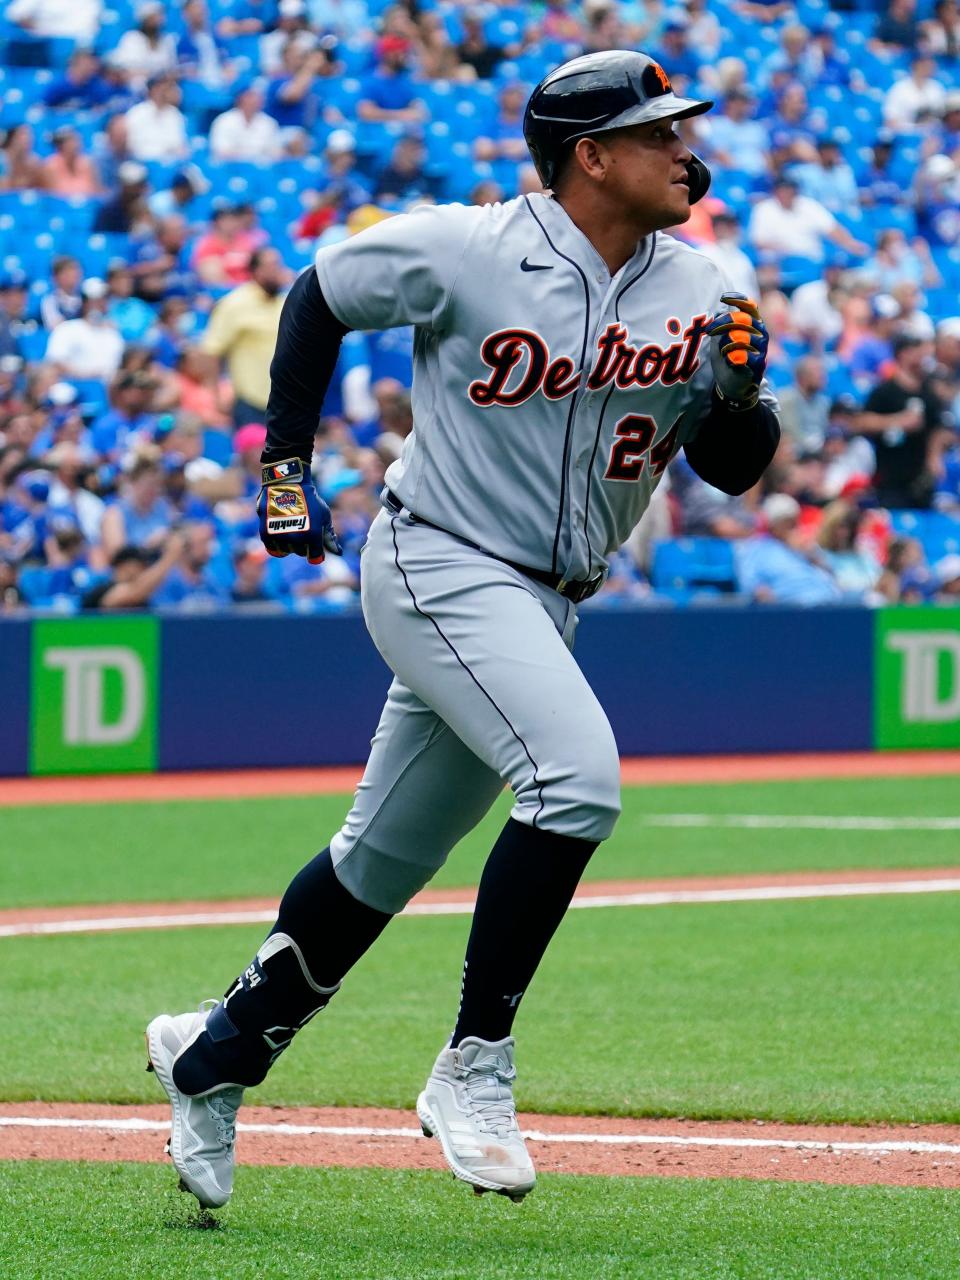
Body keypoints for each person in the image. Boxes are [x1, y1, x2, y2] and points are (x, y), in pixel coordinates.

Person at [145, 50, 780, 1212]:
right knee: (576, 779)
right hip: (437, 554)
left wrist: (741, 403)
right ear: (590, 157)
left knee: (378, 862)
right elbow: (320, 291)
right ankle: (473, 1063)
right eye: (660, 134)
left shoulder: (701, 281)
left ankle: (215, 1051)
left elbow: (730, 471)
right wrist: (286, 465)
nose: (690, 150)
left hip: (548, 594)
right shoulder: (468, 248)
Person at [856, 333, 951, 508]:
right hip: (890, 472)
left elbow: (937, 427)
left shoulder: (928, 392)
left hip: (919, 475)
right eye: (916, 351)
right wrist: (897, 421)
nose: (922, 357)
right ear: (903, 354)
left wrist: (934, 456)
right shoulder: (885, 390)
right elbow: (863, 422)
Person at [200, 247, 288, 425]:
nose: (277, 271)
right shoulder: (234, 304)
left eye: (278, 265)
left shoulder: (285, 303)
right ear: (256, 270)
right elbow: (212, 351)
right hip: (249, 400)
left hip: (286, 399)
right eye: (271, 266)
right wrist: (216, 395)